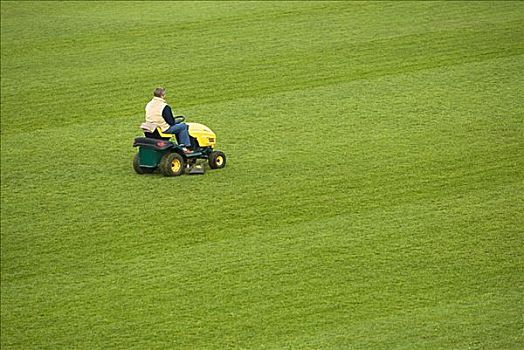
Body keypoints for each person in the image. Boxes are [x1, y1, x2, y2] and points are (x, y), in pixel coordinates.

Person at [144, 87, 191, 151]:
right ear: (162, 96)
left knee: (178, 126)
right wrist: (176, 121)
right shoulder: (164, 106)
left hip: (151, 128)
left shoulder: (148, 104)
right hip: (162, 128)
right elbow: (171, 122)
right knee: (183, 126)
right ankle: (184, 147)